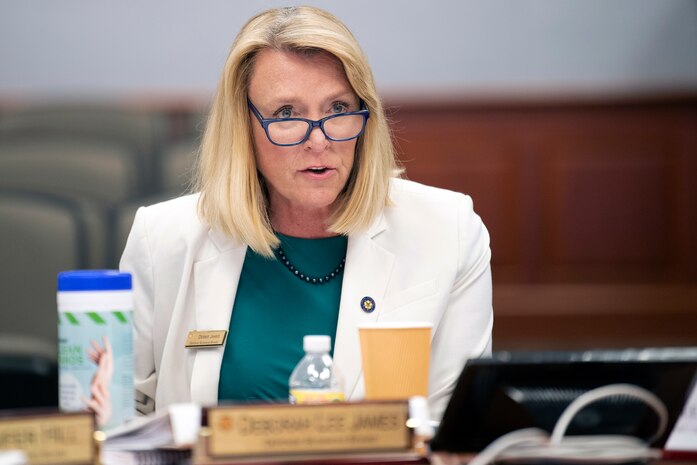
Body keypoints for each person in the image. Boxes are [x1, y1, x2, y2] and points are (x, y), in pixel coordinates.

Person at [120, 5, 492, 421]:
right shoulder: (164, 238)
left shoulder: (448, 230)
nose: (319, 141)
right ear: (244, 127)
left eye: (337, 109)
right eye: (286, 114)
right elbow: (120, 421)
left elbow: (459, 430)